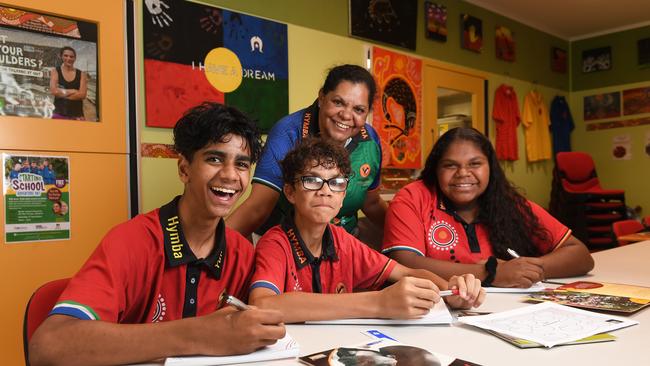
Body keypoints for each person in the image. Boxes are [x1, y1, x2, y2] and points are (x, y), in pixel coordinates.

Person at [28, 102, 286, 366]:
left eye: (242, 164)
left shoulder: (242, 252)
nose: (231, 175)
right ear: (184, 169)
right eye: (214, 158)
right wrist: (199, 334)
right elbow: (48, 346)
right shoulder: (130, 241)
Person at [249, 138, 484, 323]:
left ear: (343, 196)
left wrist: (451, 289)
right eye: (312, 180)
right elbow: (262, 305)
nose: (325, 191)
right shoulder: (275, 243)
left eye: (336, 183)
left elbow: (407, 273)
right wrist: (378, 303)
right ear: (290, 192)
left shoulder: (342, 240)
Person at [382, 127, 594, 288]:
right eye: (450, 165)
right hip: (435, 313)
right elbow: (405, 262)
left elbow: (580, 255)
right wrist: (490, 273)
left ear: (490, 168)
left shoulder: (506, 201)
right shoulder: (412, 197)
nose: (463, 173)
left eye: (475, 164)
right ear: (435, 170)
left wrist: (525, 270)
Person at [227, 64, 387, 242]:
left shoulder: (370, 141)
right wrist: (207, 247)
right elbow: (258, 208)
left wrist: (409, 233)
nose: (346, 115)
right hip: (282, 245)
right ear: (321, 97)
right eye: (338, 102)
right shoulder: (287, 133)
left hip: (342, 245)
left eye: (359, 109)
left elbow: (371, 203)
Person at [50, 46, 87, 120]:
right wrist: (73, 91)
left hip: (77, 115)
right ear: (61, 56)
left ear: (75, 58)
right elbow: (54, 91)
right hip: (58, 113)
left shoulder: (82, 74)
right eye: (66, 56)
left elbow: (82, 95)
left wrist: (61, 94)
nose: (69, 58)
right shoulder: (55, 71)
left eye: (71, 56)